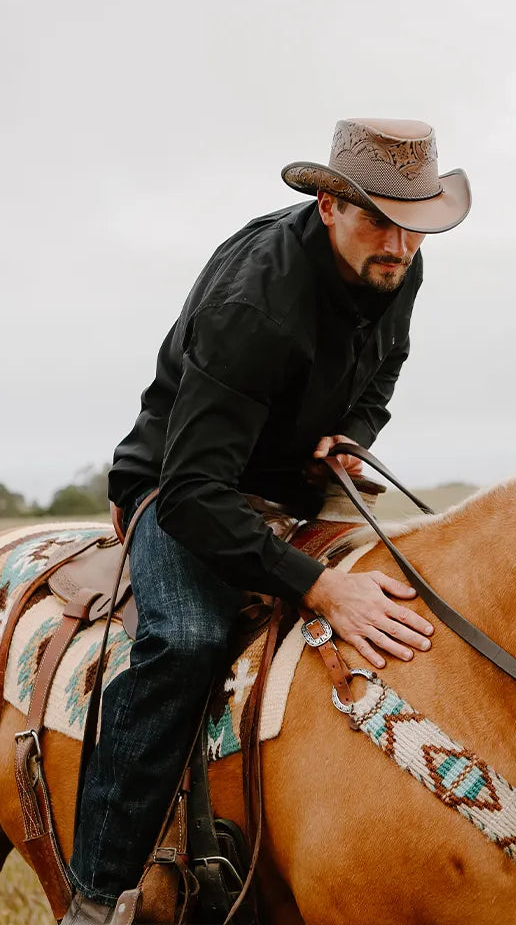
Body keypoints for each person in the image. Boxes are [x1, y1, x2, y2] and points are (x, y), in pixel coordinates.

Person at [62, 118, 471, 924]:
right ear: (329, 205)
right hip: (183, 487)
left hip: (294, 486)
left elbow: (385, 365)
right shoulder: (256, 304)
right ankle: (98, 894)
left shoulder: (398, 262)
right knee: (186, 639)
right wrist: (318, 587)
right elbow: (194, 491)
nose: (400, 243)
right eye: (378, 220)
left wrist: (351, 432)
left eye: (414, 224)